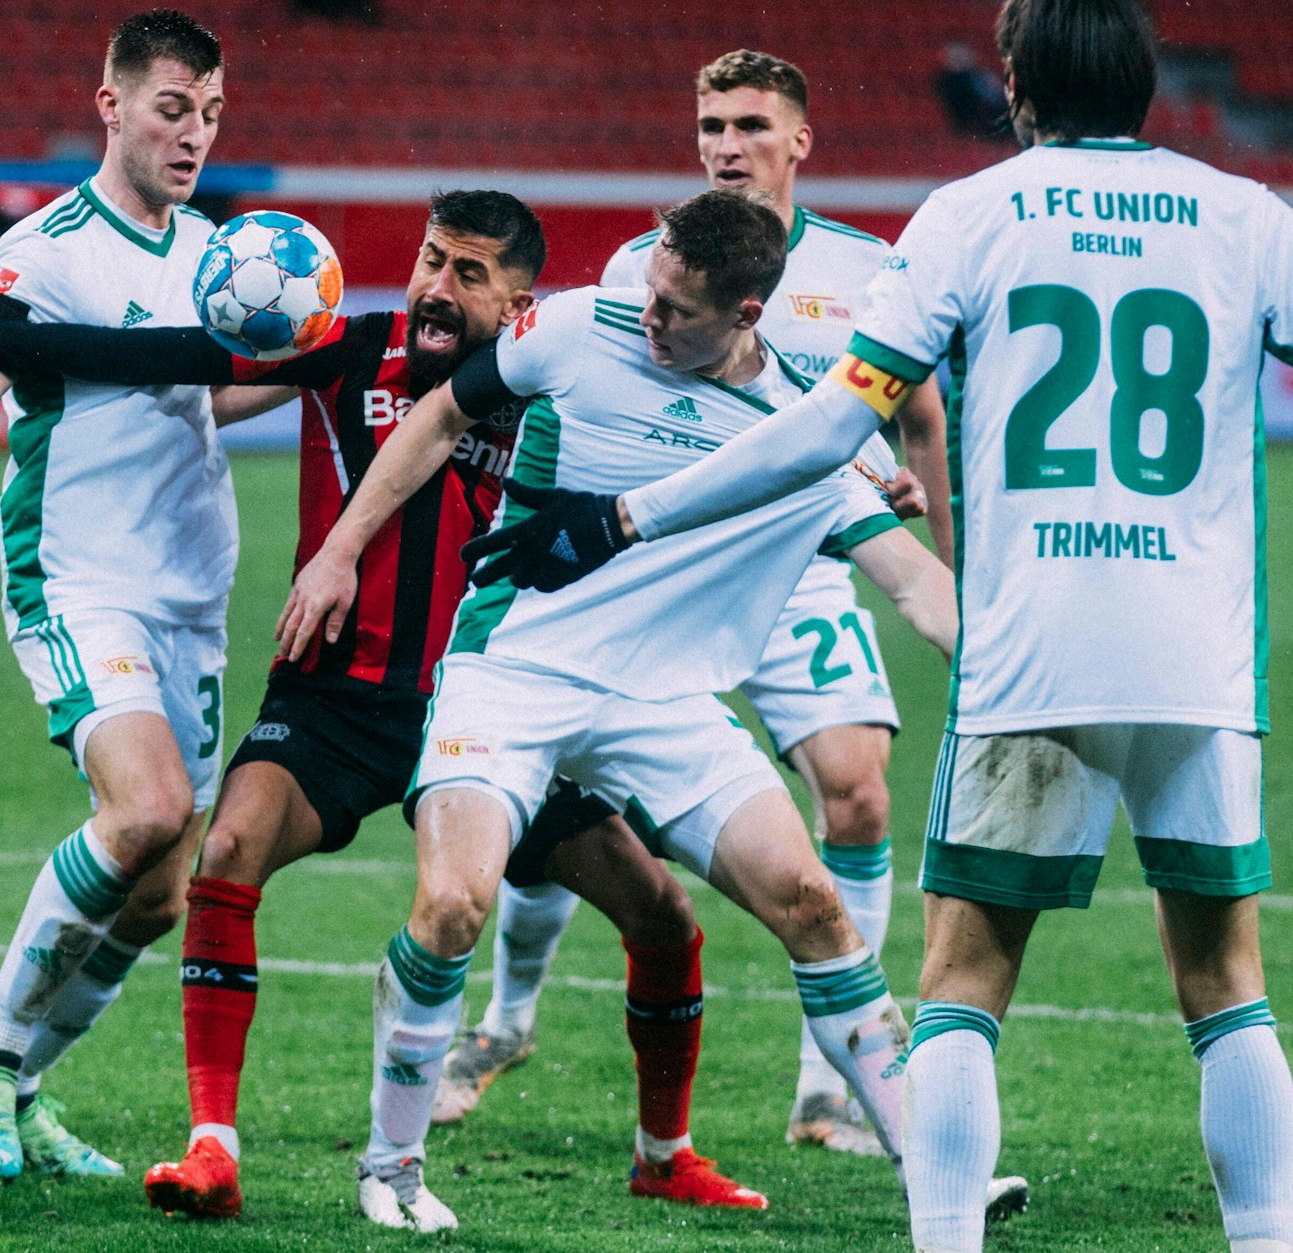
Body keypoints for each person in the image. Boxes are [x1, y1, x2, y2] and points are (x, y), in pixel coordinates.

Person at [480, 2, 1293, 1247]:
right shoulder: (1248, 217)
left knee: (963, 986)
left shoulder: (968, 215)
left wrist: (627, 514)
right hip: (1194, 650)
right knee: (1227, 988)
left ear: (1014, 81)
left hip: (1028, 650)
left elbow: (823, 428)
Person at [0, 189, 770, 1218]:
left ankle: (662, 1150)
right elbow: (173, 356)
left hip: (496, 708)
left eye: (467, 274)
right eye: (428, 260)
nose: (434, 290)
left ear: (521, 299)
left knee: (662, 913)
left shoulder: (558, 387)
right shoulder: (351, 348)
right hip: (334, 700)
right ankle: (210, 1146)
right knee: (222, 853)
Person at [280, 189, 996, 1233]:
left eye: (675, 309)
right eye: (649, 288)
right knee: (448, 909)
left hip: (661, 704)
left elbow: (914, 584)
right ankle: (389, 1165)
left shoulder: (797, 433)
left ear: (747, 313)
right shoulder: (574, 327)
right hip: (511, 671)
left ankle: (940, 1173)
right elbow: (438, 412)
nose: (646, 316)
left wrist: (1007, 677)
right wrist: (341, 547)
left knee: (809, 901)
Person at [439, 48, 957, 1158]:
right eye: (709, 125)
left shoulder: (871, 269)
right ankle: (504, 1018)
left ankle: (828, 1090)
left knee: (856, 795)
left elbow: (913, 415)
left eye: (749, 125)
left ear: (798, 139)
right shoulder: (641, 265)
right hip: (654, 576)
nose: (725, 145)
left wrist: (916, 516)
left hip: (805, 558)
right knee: (563, 795)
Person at [0, 10, 234, 1183]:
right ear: (110, 106)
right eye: (169, 108)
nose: (191, 133)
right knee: (143, 808)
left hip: (192, 590)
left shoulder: (213, 254)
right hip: (80, 574)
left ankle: (28, 1088)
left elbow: (206, 396)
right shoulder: (42, 249)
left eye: (207, 115)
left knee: (159, 894)